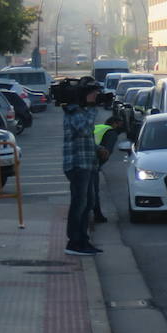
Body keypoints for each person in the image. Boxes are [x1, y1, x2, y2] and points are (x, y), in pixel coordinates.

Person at [61, 78, 102, 256]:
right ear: (85, 95)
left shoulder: (81, 111)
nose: (96, 96)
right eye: (93, 93)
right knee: (79, 203)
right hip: (77, 165)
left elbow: (86, 138)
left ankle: (83, 240)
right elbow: (85, 129)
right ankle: (74, 242)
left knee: (89, 202)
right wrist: (92, 107)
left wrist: (98, 148)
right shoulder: (73, 111)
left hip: (88, 163)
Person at [90, 113, 124, 224]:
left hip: (82, 159)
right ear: (114, 124)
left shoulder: (100, 128)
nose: (122, 127)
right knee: (93, 191)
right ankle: (97, 215)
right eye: (120, 124)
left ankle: (95, 214)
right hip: (91, 163)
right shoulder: (111, 133)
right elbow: (106, 153)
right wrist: (98, 165)